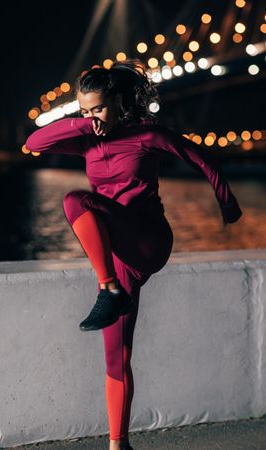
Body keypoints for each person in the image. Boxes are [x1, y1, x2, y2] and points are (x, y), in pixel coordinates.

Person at [25, 58, 243, 450]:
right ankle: (118, 443)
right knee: (116, 355)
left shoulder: (147, 135)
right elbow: (33, 143)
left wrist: (227, 206)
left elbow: (203, 159)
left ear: (120, 101)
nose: (92, 117)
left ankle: (107, 289)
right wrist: (81, 123)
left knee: (77, 200)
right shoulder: (87, 136)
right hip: (120, 254)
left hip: (147, 239)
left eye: (98, 109)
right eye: (84, 110)